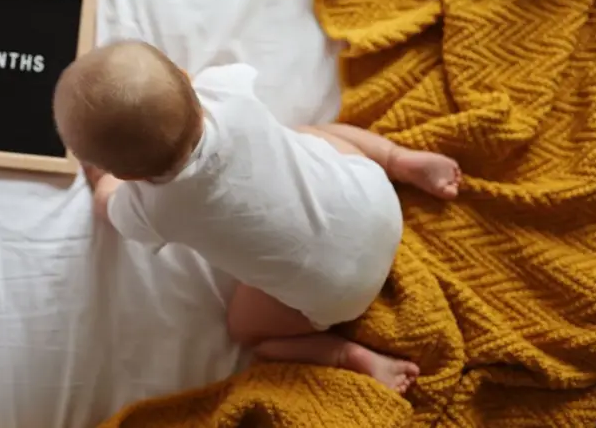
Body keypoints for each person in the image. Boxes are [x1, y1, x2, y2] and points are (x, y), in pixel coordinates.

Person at [53, 40, 462, 393]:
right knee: (307, 134)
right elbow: (185, 93)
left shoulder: (153, 210)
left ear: (127, 175)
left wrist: (101, 179)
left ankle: (342, 353)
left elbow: (107, 206)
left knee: (246, 332)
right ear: (185, 75)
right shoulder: (229, 92)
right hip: (377, 204)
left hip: (339, 293)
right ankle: (396, 159)